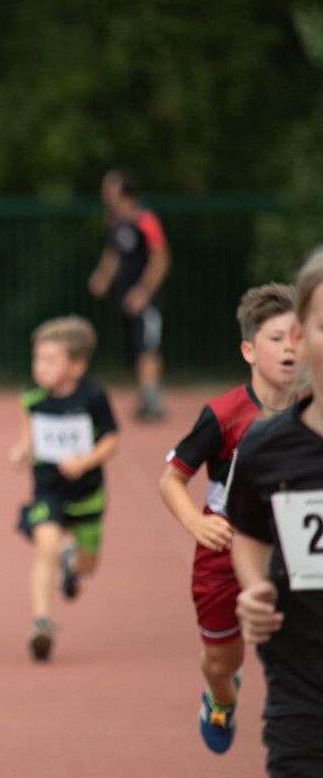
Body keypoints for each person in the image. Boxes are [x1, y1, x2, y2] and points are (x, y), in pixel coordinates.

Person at [157, 283, 298, 753]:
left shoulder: (314, 413)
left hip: (295, 547)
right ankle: (220, 701)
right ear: (248, 350)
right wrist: (197, 525)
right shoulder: (223, 414)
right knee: (221, 663)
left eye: (297, 336)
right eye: (276, 338)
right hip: (224, 549)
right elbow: (171, 481)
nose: (289, 348)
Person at [230, 248, 323, 776]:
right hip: (305, 701)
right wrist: (253, 586)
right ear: (300, 338)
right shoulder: (265, 451)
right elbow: (249, 532)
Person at [8, 316, 119, 662]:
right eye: (37, 359)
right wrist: (20, 452)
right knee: (46, 547)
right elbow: (29, 441)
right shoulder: (32, 398)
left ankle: (74, 570)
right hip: (48, 490)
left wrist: (86, 461)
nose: (40, 367)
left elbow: (112, 440)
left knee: (88, 566)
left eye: (50, 360)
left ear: (77, 365)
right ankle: (41, 623)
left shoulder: (93, 397)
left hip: (87, 492)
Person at [87, 169, 170, 420]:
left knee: (147, 345)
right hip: (122, 297)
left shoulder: (145, 220)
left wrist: (143, 291)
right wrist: (102, 276)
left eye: (109, 189)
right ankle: (144, 394)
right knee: (132, 347)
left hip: (145, 298)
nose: (104, 194)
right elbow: (113, 254)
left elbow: (161, 257)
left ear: (123, 192)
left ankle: (152, 397)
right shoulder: (114, 221)